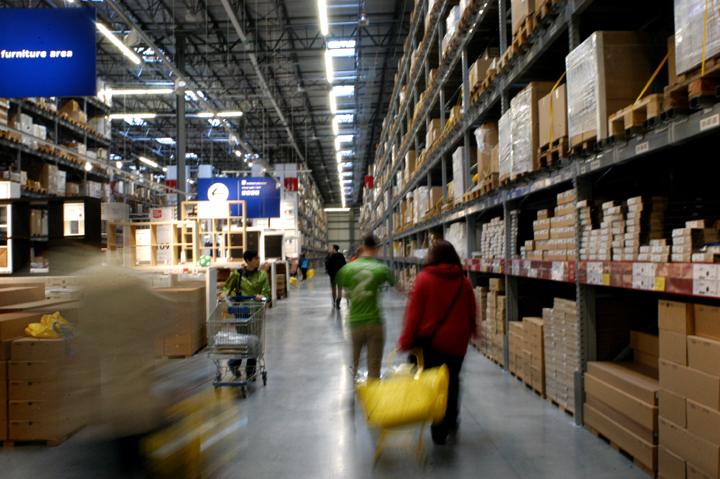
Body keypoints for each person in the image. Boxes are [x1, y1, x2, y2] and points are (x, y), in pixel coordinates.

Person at [397, 239, 477, 445]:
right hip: (458, 343)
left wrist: (406, 341)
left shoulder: (423, 280)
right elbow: (472, 311)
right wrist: (474, 333)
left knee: (434, 384)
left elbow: (413, 315)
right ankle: (452, 418)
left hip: (433, 344)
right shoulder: (463, 281)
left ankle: (439, 428)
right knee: (452, 380)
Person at [335, 234, 394, 379]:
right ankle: (372, 395)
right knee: (374, 364)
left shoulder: (347, 269)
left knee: (354, 362)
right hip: (375, 322)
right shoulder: (382, 269)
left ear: (362, 246)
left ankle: (354, 391)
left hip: (355, 323)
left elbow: (340, 290)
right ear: (376, 249)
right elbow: (393, 282)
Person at [222, 250, 271, 379]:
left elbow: (267, 291)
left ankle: (251, 371)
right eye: (256, 258)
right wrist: (224, 294)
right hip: (241, 310)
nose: (258, 261)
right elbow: (227, 286)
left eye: (259, 258)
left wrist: (263, 296)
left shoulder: (262, 275)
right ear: (248, 260)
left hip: (256, 311)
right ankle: (234, 363)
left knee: (254, 341)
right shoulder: (237, 274)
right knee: (243, 340)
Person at [326, 244, 347, 309]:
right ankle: (338, 302)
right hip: (340, 275)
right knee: (340, 289)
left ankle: (334, 301)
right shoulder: (341, 256)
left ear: (334, 249)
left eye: (332, 248)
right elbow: (345, 265)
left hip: (333, 275)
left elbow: (327, 266)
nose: (331, 249)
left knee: (333, 289)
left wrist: (330, 273)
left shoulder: (331, 256)